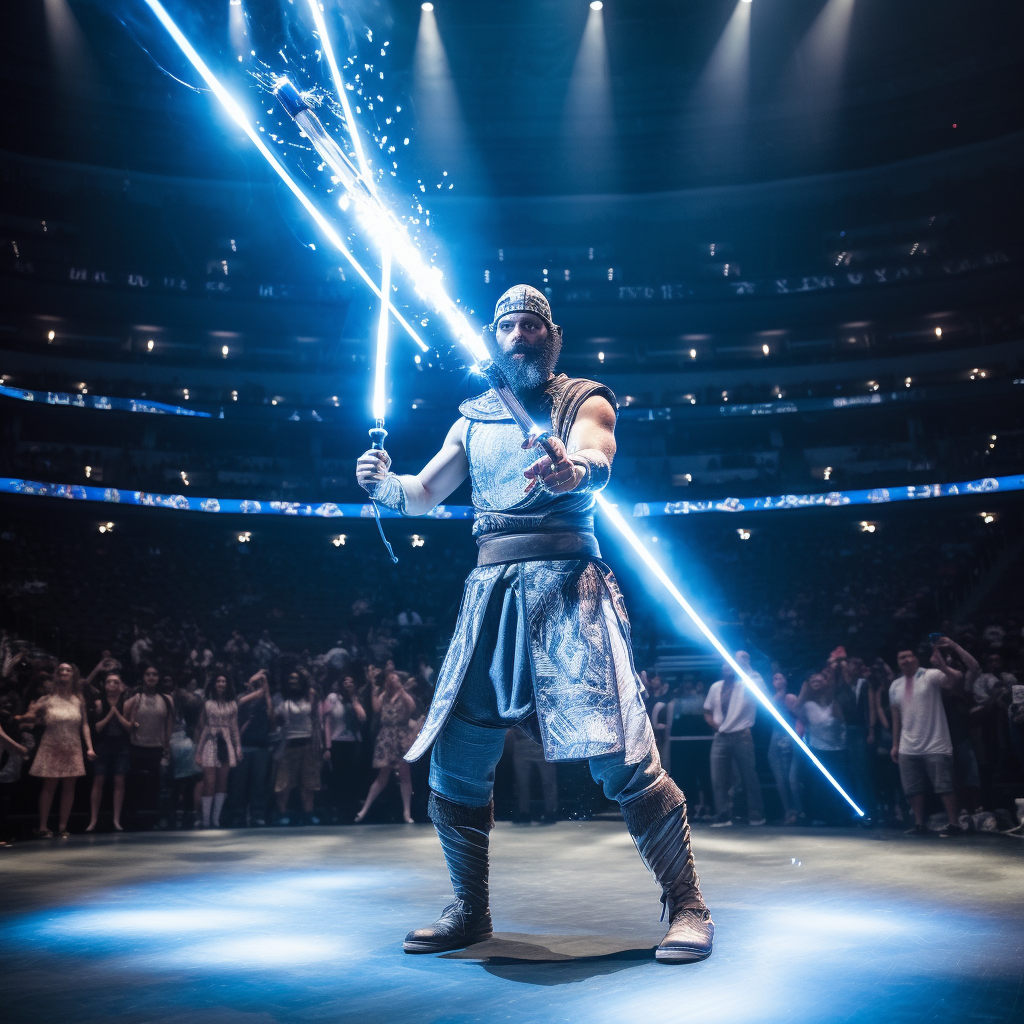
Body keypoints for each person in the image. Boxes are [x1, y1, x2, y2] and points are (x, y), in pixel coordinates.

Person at [357, 285, 712, 963]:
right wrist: (384, 485)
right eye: (508, 325)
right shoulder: (470, 419)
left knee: (623, 757)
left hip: (568, 591)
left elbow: (595, 458)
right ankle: (470, 908)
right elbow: (425, 494)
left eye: (531, 324)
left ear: (553, 335)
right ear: (494, 337)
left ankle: (688, 905)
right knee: (456, 761)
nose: (519, 334)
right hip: (491, 595)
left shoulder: (585, 399)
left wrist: (569, 469)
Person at [889, 642, 964, 837]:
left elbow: (957, 678)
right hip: (907, 745)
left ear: (915, 658)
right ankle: (919, 824)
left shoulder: (929, 675)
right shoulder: (895, 685)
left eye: (908, 656)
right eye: (901, 658)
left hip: (935, 742)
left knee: (944, 786)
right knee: (913, 789)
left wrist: (943, 666)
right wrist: (895, 745)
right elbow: (896, 716)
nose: (905, 660)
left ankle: (954, 824)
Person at [27, 662, 95, 838]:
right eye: (61, 670)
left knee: (69, 787)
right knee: (49, 787)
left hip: (72, 745)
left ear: (73, 675)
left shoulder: (78, 698)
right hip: (51, 744)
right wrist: (35, 714)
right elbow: (31, 721)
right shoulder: (47, 698)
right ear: (56, 674)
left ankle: (62, 827)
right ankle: (42, 827)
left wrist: (89, 748)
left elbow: (85, 724)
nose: (64, 672)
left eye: (68, 670)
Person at [704, 662, 765, 827]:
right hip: (721, 735)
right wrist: (716, 726)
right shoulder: (716, 687)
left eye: (730, 664)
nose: (726, 667)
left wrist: (746, 665)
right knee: (718, 777)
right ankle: (723, 814)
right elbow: (707, 711)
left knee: (748, 776)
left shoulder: (746, 684)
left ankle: (756, 814)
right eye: (724, 665)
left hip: (741, 734)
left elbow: (759, 686)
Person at [355, 670, 416, 824]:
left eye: (396, 679)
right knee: (382, 775)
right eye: (391, 679)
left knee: (404, 775)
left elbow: (412, 707)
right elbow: (376, 709)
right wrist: (374, 689)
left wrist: (402, 690)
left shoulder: (403, 695)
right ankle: (364, 810)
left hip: (402, 736)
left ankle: (406, 812)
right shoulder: (383, 696)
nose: (393, 681)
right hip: (387, 736)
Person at [789, 673, 847, 825]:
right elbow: (795, 708)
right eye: (812, 679)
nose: (815, 680)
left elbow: (842, 723)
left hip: (835, 749)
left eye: (819, 678)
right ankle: (821, 816)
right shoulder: (808, 704)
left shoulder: (833, 701)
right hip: (817, 749)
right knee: (818, 785)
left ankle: (838, 817)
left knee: (836, 784)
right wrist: (804, 687)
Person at [193, 671, 249, 828]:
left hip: (226, 743)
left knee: (222, 783)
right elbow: (204, 726)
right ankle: (205, 819)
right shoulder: (208, 703)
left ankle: (215, 819)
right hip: (211, 740)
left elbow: (234, 727)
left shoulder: (232, 704)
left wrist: (238, 747)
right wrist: (199, 750)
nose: (221, 684)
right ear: (214, 684)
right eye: (218, 681)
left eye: (224, 681)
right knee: (209, 781)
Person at [123, 664, 172, 829]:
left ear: (158, 678)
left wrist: (167, 746)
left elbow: (168, 725)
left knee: (162, 787)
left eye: (155, 674)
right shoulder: (136, 697)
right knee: (134, 785)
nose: (151, 677)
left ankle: (162, 818)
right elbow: (124, 719)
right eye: (148, 674)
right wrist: (131, 723)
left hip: (158, 748)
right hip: (137, 747)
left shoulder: (166, 699)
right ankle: (131, 818)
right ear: (143, 677)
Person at [274, 670, 322, 825]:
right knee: (284, 783)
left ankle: (308, 813)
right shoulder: (282, 699)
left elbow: (316, 716)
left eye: (296, 679)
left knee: (308, 782)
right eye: (290, 679)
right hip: (288, 745)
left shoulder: (309, 697)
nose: (293, 681)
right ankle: (281, 814)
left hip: (307, 744)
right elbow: (276, 720)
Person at [86, 671, 132, 832]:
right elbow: (97, 727)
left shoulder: (126, 703)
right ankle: (93, 820)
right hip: (103, 743)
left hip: (121, 744)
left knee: (120, 780)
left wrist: (116, 711)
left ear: (121, 686)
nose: (112, 685)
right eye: (109, 682)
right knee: (99, 779)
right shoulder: (99, 703)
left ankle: (116, 819)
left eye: (115, 682)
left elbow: (129, 726)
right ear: (104, 686)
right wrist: (111, 711)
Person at [228, 669, 273, 827]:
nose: (258, 685)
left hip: (261, 745)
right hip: (243, 745)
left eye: (260, 683)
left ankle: (257, 814)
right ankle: (237, 814)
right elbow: (239, 704)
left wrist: (265, 690)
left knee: (258, 784)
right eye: (255, 682)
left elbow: (271, 716)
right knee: (238, 784)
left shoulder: (265, 698)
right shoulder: (241, 696)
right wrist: (255, 684)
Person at [322, 675, 366, 823]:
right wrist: (327, 746)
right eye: (345, 681)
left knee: (352, 778)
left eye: (351, 681)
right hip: (337, 741)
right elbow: (326, 722)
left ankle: (350, 811)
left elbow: (362, 717)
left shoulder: (354, 700)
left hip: (353, 742)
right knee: (338, 778)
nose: (348, 683)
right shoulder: (333, 698)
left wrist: (353, 698)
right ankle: (337, 812)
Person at [766, 671, 801, 825]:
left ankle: (799, 810)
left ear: (786, 680)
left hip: (791, 735)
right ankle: (787, 811)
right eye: (774, 678)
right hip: (776, 735)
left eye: (779, 677)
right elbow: (768, 712)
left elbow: (799, 716)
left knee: (792, 778)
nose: (776, 680)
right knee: (780, 779)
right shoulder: (772, 698)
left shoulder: (791, 698)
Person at [508, 727, 558, 823]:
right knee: (521, 783)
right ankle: (524, 812)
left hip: (542, 746)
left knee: (548, 782)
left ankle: (551, 812)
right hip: (523, 746)